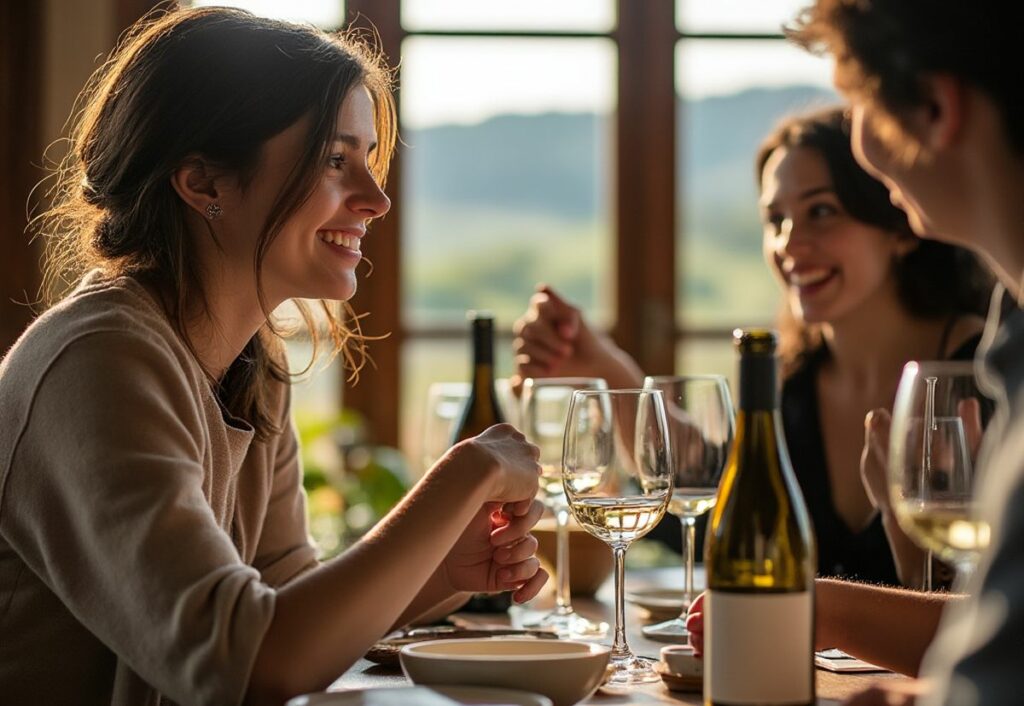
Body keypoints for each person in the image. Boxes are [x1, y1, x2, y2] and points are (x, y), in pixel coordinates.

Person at [0, 7, 546, 706]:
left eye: (370, 161)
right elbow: (249, 661)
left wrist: (445, 575)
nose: (377, 200)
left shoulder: (248, 366)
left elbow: (285, 599)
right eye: (334, 160)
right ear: (204, 183)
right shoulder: (99, 361)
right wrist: (467, 471)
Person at [694, 1, 1024, 703]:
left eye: (858, 102)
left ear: (934, 108)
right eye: (776, 220)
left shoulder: (982, 369)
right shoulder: (1011, 331)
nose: (862, 143)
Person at [513, 106, 992, 587]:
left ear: (899, 223)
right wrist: (605, 367)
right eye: (775, 219)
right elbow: (706, 503)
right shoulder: (793, 383)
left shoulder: (986, 375)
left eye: (821, 212)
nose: (789, 243)